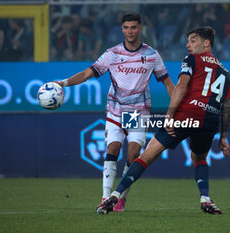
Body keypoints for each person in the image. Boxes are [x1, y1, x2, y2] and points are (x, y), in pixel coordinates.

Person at [97, 26, 230, 215]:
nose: (188, 45)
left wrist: (169, 115)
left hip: (186, 116)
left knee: (146, 156)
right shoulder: (225, 72)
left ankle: (114, 196)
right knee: (199, 157)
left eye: (193, 40)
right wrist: (223, 136)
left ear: (206, 42)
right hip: (209, 121)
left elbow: (182, 85)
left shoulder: (192, 59)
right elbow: (226, 106)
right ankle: (205, 199)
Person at [54, 12, 174, 212]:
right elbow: (87, 73)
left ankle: (121, 197)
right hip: (115, 110)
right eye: (126, 27)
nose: (130, 31)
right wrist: (63, 83)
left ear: (140, 28)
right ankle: (105, 197)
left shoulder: (152, 55)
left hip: (138, 112)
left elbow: (169, 84)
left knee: (133, 154)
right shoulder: (112, 54)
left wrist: (177, 109)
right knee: (112, 150)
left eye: (134, 27)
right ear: (122, 29)